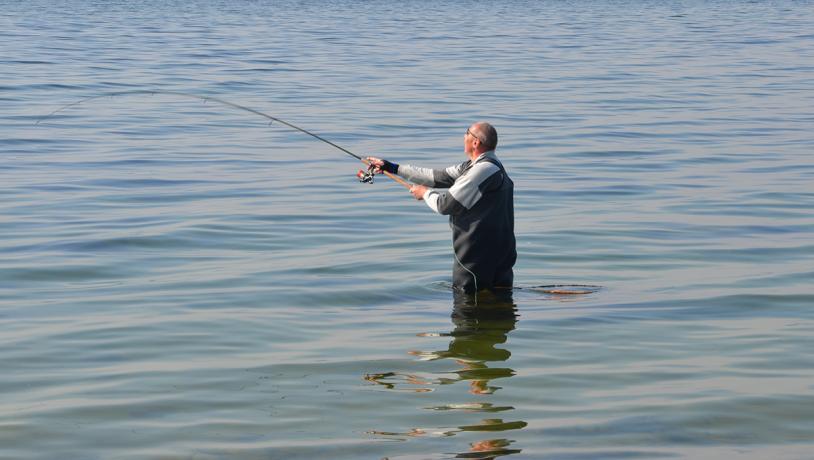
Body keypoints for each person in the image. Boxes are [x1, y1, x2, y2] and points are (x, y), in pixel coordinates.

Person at [368, 122, 516, 293]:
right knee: (500, 305)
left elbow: (445, 205)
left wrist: (424, 193)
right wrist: (392, 167)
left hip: (476, 258)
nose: (463, 136)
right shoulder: (483, 166)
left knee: (466, 312)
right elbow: (437, 177)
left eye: (466, 132)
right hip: (500, 253)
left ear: (475, 142)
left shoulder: (481, 171)